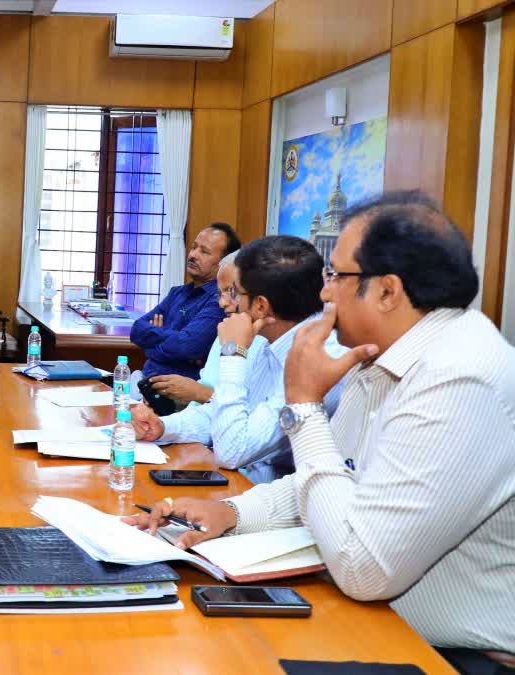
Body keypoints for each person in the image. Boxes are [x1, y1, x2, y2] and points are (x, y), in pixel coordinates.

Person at [127, 192, 515, 671]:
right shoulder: (381, 357)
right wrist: (231, 510)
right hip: (371, 619)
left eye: (336, 276)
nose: (324, 293)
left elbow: (363, 566)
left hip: (447, 655)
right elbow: (332, 474)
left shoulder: (460, 377)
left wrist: (305, 404)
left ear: (388, 291)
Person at [130, 235, 346, 484]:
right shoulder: (266, 335)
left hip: (271, 497)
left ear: (261, 306)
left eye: (234, 292)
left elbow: (234, 452)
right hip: (239, 484)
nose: (225, 302)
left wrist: (232, 352)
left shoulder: (317, 356)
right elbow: (219, 412)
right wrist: (164, 427)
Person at [146, 250, 266, 407]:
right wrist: (164, 424)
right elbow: (203, 406)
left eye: (231, 292)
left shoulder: (269, 343)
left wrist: (198, 392)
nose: (222, 303)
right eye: (220, 294)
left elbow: (245, 411)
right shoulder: (227, 329)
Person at [130, 223, 241, 381]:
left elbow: (187, 346)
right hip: (145, 379)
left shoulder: (220, 301)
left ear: (223, 263)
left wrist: (151, 344)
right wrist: (172, 343)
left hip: (177, 394)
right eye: (194, 247)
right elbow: (137, 329)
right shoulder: (177, 293)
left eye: (204, 252)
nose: (193, 255)